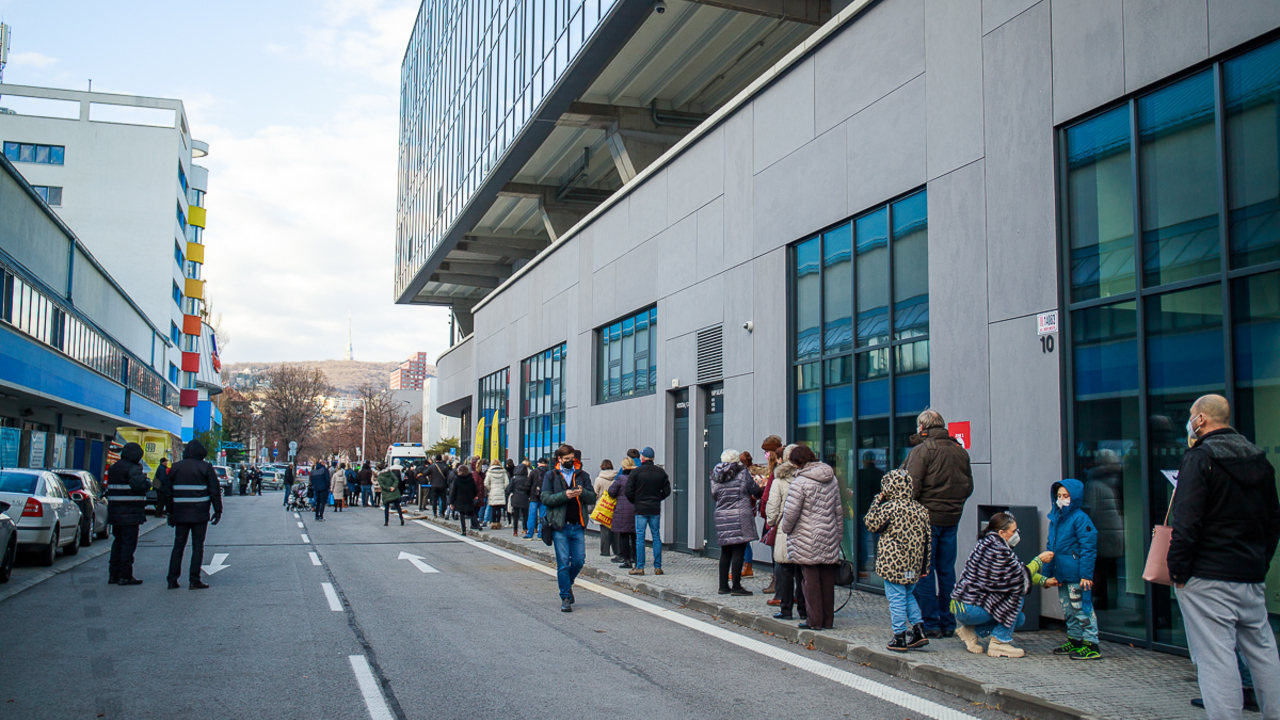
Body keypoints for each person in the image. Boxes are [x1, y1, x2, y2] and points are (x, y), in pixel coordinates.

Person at [1169, 394, 1280, 720]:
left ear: (1201, 420)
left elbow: (1186, 521)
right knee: (1262, 652)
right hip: (1249, 575)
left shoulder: (1199, 458)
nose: (1189, 420)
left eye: (1191, 415)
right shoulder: (1259, 460)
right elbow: (1273, 520)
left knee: (1216, 658)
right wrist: (1260, 562)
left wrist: (1178, 572)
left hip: (1206, 576)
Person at [903, 409, 974, 639]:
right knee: (947, 572)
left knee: (925, 571)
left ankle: (930, 623)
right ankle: (948, 622)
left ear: (922, 428)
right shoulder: (958, 450)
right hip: (952, 518)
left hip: (926, 519)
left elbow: (910, 487)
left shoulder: (922, 451)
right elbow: (968, 487)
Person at [950, 513, 1042, 658]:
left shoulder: (987, 543)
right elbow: (1018, 578)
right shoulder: (998, 549)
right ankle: (1000, 642)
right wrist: (1039, 561)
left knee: (1018, 618)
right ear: (1001, 533)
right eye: (1013, 531)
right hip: (970, 606)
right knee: (1016, 596)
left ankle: (971, 632)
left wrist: (1043, 581)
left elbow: (1015, 572)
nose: (1016, 534)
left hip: (964, 605)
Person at [864, 468, 932, 652]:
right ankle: (919, 630)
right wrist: (924, 566)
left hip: (893, 562)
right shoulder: (920, 510)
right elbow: (927, 540)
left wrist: (877, 500)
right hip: (913, 562)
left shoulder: (889, 508)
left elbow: (870, 522)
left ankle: (899, 636)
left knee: (896, 598)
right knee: (908, 595)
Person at [779, 445, 842, 631]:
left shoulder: (800, 482)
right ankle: (828, 620)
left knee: (810, 580)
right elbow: (838, 510)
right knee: (827, 580)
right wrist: (838, 535)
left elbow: (791, 513)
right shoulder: (832, 479)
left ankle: (814, 621)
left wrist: (786, 529)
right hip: (828, 534)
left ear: (799, 462)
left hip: (806, 536)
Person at [1043, 478, 1101, 661]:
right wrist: (1047, 574)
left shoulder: (1080, 518)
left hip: (1076, 574)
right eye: (1059, 496)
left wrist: (1085, 574)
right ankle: (1076, 640)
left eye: (1065, 496)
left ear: (1074, 497)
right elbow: (1050, 547)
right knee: (1068, 609)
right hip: (1063, 573)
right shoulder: (1056, 518)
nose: (1061, 499)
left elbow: (1088, 547)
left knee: (1082, 609)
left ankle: (1091, 644)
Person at [542, 444, 597, 612]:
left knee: (579, 561)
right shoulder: (551, 476)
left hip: (578, 525)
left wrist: (582, 493)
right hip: (559, 526)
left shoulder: (582, 475)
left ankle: (568, 582)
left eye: (572, 459)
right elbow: (545, 498)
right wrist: (564, 496)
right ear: (559, 459)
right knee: (563, 563)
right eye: (566, 459)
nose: (569, 462)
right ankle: (565, 597)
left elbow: (592, 496)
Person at [164, 439, 223, 590]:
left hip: (180, 513)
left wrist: (170, 512)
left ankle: (172, 579)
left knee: (178, 545)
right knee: (197, 546)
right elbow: (214, 491)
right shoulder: (206, 467)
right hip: (199, 513)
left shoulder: (176, 468)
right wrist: (218, 510)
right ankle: (194, 580)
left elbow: (168, 492)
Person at [711, 449, 763, 596]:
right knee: (739, 550)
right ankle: (736, 586)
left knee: (725, 551)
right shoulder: (742, 472)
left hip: (722, 514)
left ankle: (722, 586)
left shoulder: (715, 475)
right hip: (740, 514)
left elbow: (714, 494)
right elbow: (753, 489)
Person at [765, 444, 805, 620]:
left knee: (786, 571)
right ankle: (804, 609)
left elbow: (772, 506)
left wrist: (771, 522)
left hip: (785, 530)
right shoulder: (807, 478)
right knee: (803, 573)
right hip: (804, 531)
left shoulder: (779, 480)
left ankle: (786, 609)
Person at [106, 442, 150, 586]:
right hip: (130, 513)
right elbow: (140, 486)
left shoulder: (113, 468)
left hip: (115, 512)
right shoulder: (133, 469)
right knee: (128, 545)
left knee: (117, 543)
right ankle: (125, 575)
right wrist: (147, 481)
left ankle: (113, 574)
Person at [626, 446, 670, 576]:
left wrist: (636, 500)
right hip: (654, 508)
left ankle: (640, 567)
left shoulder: (636, 472)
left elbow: (628, 491)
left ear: (642, 458)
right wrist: (657, 498)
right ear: (653, 458)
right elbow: (666, 491)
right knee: (656, 536)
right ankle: (657, 567)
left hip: (640, 508)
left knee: (640, 537)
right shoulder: (660, 472)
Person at [609, 457, 639, 568]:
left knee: (624, 536)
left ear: (623, 467)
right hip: (636, 509)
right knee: (635, 536)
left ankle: (627, 560)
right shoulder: (637, 478)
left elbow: (611, 492)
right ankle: (635, 558)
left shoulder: (621, 479)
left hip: (622, 511)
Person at [593, 460, 617, 557]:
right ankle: (617, 551)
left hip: (602, 506)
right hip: (614, 505)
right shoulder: (616, 478)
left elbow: (595, 493)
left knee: (604, 531)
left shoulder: (599, 479)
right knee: (615, 530)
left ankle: (605, 551)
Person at [448, 463, 479, 536]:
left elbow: (453, 492)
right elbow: (475, 489)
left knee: (462, 514)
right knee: (472, 513)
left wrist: (451, 502)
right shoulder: (470, 479)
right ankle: (478, 525)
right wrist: (474, 495)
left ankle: (464, 530)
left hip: (460, 499)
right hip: (469, 498)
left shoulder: (457, 479)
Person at [508, 461, 533, 537]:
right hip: (525, 498)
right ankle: (525, 529)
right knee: (525, 515)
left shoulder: (514, 478)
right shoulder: (527, 479)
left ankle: (515, 531)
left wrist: (508, 493)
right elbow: (529, 488)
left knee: (515, 515)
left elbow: (509, 488)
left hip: (516, 498)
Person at [525, 458, 547, 539]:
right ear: (546, 464)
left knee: (532, 516)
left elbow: (528, 485)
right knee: (543, 516)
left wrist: (529, 495)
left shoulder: (533, 472)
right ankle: (541, 535)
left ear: (538, 464)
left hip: (534, 497)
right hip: (544, 497)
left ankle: (529, 534)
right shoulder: (548, 472)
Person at [484, 460, 509, 530]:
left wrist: (490, 488)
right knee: (499, 509)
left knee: (493, 508)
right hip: (500, 491)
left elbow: (486, 483)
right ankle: (498, 522)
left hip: (493, 491)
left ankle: (493, 523)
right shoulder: (503, 472)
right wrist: (502, 488)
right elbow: (507, 482)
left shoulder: (489, 472)